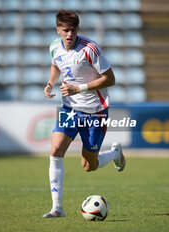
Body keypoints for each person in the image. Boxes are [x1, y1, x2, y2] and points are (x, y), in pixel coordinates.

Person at [42, 9, 126, 218]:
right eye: (65, 30)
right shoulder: (54, 47)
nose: (69, 34)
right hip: (69, 109)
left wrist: (78, 89)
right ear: (58, 30)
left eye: (73, 30)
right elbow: (56, 65)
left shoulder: (90, 49)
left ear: (77, 29)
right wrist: (51, 83)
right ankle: (57, 208)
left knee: (89, 165)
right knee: (55, 150)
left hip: (95, 112)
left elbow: (110, 79)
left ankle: (115, 154)